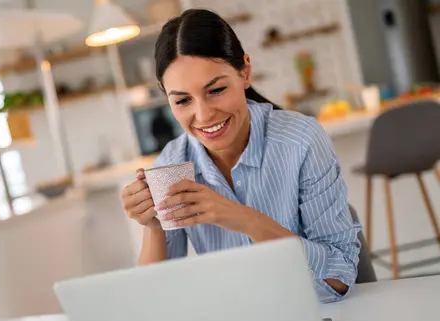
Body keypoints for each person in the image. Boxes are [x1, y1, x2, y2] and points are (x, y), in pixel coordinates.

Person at [120, 9, 360, 303]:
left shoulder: (301, 140)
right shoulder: (172, 165)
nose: (204, 114)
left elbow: (339, 279)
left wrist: (243, 218)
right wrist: (153, 227)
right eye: (183, 100)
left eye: (216, 90)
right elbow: (154, 301)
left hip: (313, 315)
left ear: (245, 72)